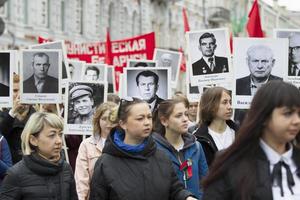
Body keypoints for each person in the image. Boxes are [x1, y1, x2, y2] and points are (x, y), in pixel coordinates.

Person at [203, 81, 300, 200]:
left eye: (299, 114)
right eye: (288, 113)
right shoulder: (231, 164)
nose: (296, 121)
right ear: (264, 116)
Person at [89, 97, 197, 200]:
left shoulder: (161, 156)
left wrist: (187, 197)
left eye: (149, 117)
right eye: (140, 118)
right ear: (123, 124)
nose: (147, 122)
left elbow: (175, 190)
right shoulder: (106, 163)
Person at [0, 112, 78, 199]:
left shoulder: (66, 169)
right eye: (52, 135)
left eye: (60, 134)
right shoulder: (15, 175)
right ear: (33, 140)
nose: (59, 141)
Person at [152, 98, 208, 199]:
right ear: (164, 121)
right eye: (179, 116)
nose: (185, 119)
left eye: (186, 114)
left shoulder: (197, 146)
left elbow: (205, 181)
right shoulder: (154, 149)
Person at [75, 102, 118, 200]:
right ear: (97, 120)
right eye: (104, 119)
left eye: (112, 119)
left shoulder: (125, 144)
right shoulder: (86, 145)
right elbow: (81, 179)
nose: (108, 123)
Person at [193, 87, 238, 166]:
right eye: (224, 102)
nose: (229, 107)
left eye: (230, 102)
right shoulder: (199, 138)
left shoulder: (239, 132)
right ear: (211, 106)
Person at [0, 74, 36, 164]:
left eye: (23, 90)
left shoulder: (36, 114)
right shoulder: (3, 114)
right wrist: (13, 112)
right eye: (15, 91)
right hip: (11, 165)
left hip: (32, 165)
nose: (19, 95)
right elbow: (2, 135)